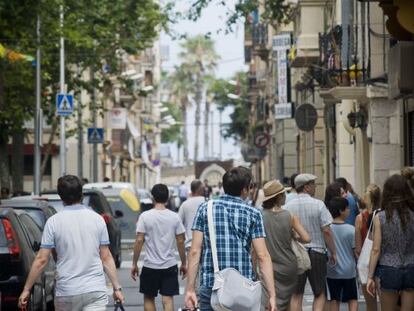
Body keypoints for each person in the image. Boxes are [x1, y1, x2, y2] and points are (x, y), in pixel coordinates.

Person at [18, 175, 124, 310]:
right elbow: (106, 257)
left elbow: (41, 260)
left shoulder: (53, 222)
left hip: (66, 291)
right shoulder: (97, 219)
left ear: (61, 197)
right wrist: (117, 288)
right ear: (81, 195)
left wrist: (27, 289)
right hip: (94, 290)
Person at [184, 166, 276, 311]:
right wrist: (271, 295)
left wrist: (190, 289)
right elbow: (263, 256)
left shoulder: (205, 209)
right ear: (244, 189)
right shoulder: (253, 214)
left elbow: (195, 251)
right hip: (243, 289)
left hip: (211, 286)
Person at [284, 173, 337, 311]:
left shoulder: (287, 207)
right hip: (317, 252)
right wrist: (333, 252)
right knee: (319, 293)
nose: (315, 187)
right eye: (313, 184)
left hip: (297, 254)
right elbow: (326, 231)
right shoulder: (319, 205)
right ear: (306, 187)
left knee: (296, 294)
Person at [131, 183, 187, 311]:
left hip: (150, 265)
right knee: (167, 300)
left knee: (149, 298)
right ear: (167, 198)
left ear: (152, 198)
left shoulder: (145, 216)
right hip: (169, 264)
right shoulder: (175, 217)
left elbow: (139, 240)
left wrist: (134, 263)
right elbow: (180, 241)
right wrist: (184, 263)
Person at [260, 180, 310, 311]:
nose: (285, 196)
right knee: (287, 301)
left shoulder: (259, 217)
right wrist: (294, 236)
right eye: (283, 194)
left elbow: (255, 249)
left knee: (269, 303)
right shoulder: (290, 216)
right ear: (278, 197)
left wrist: (255, 268)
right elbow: (307, 238)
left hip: (268, 266)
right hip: (289, 266)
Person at [367, 174, 414, 311]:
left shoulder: (380, 217)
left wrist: (370, 276)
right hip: (411, 267)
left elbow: (376, 249)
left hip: (388, 268)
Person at [326, 197, 358, 311]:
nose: (349, 210)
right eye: (347, 208)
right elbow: (355, 251)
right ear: (341, 210)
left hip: (332, 270)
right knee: (353, 298)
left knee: (334, 299)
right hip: (349, 271)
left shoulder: (327, 229)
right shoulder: (351, 229)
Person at [355, 184, 381, 311]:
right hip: (384, 263)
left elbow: (358, 248)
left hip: (367, 265)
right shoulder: (385, 216)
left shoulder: (360, 218)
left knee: (371, 305)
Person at [178, 179, 206, 251]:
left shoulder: (184, 204)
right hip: (205, 245)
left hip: (190, 245)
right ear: (200, 190)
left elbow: (178, 224)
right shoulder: (207, 203)